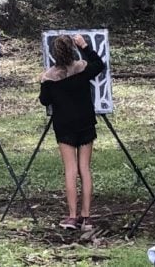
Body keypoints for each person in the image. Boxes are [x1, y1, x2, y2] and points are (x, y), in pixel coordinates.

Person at [39, 34, 105, 231]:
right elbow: (99, 64)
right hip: (85, 123)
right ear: (72, 50)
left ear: (53, 54)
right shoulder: (83, 68)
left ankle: (72, 216)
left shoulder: (50, 77)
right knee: (84, 168)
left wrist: (42, 81)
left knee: (70, 170)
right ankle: (87, 217)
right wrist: (85, 46)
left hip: (64, 126)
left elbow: (44, 100)